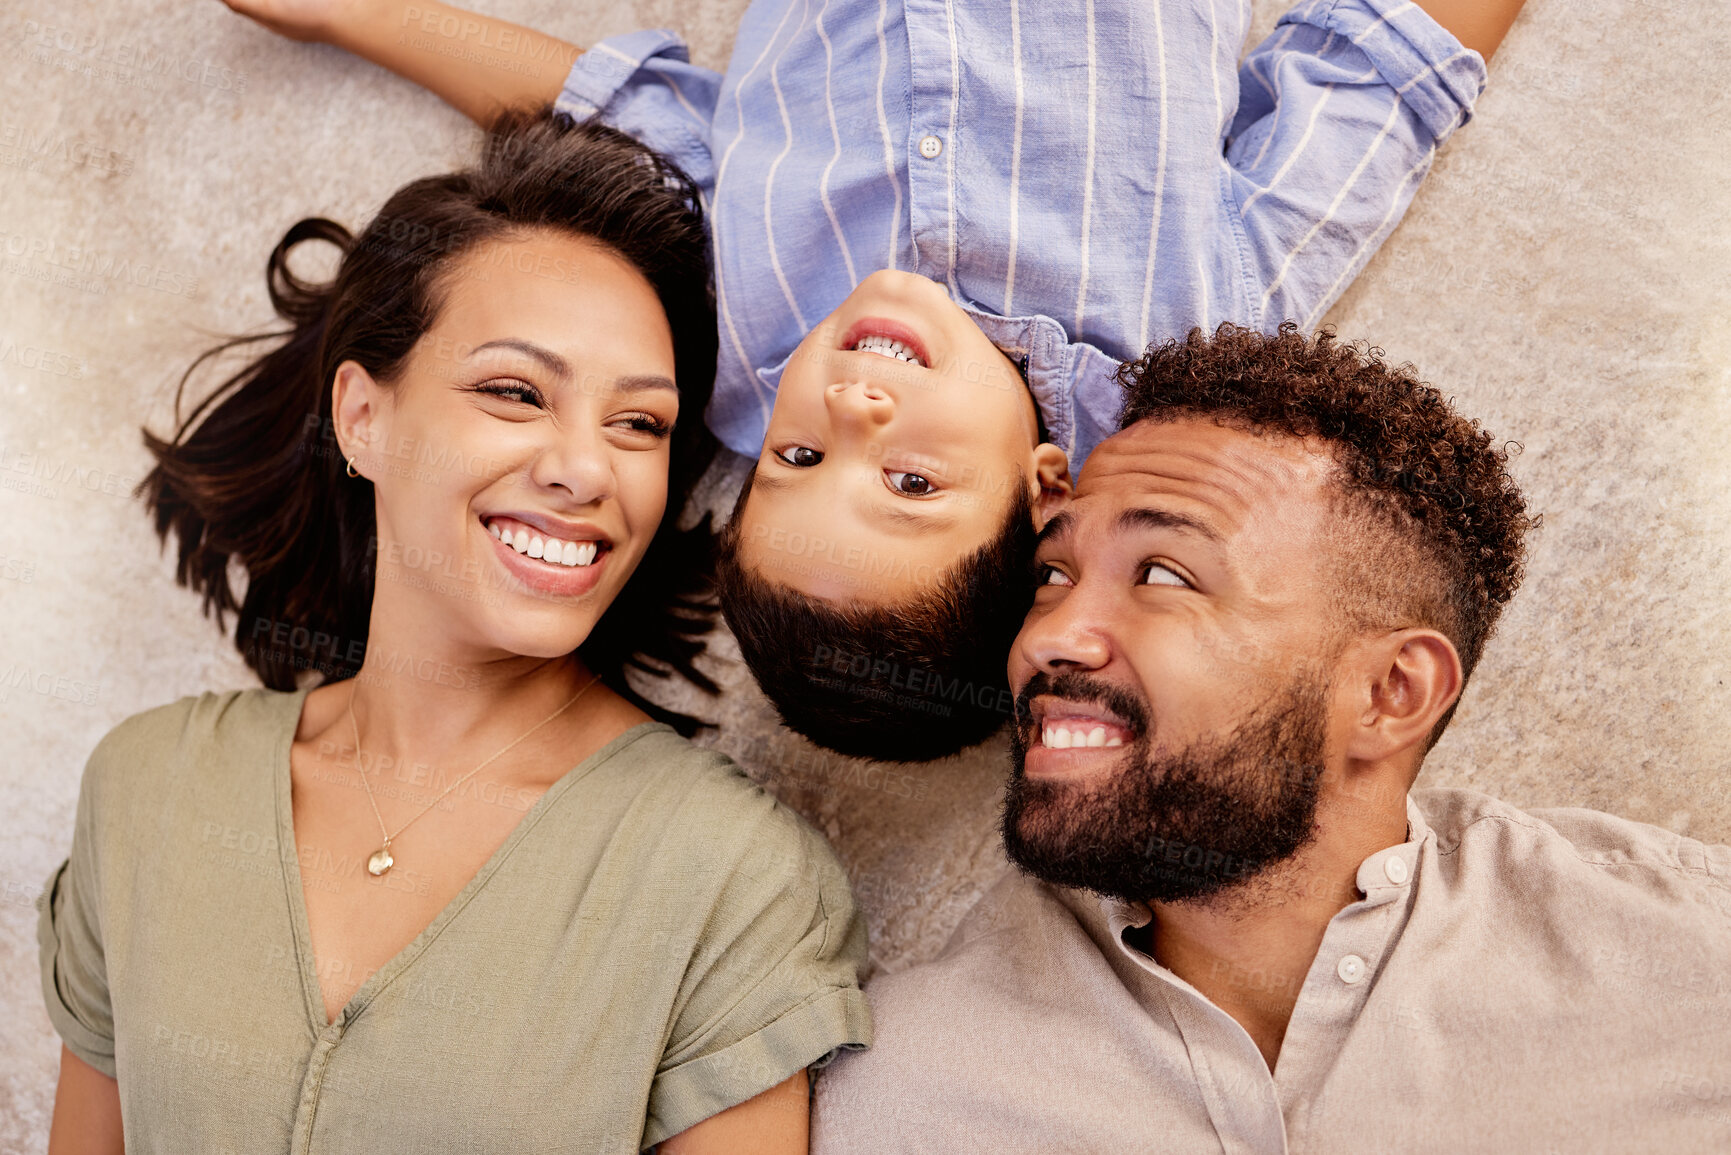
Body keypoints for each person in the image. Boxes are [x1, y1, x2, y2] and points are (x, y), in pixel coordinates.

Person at [220, 0, 1525, 763]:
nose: (847, 411)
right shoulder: (1182, 332)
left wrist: (345, 11)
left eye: (797, 460)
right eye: (906, 480)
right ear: (1047, 493)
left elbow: (619, 111)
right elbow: (1376, 76)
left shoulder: (747, 343)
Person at [36, 109, 870, 1155]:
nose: (585, 468)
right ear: (362, 417)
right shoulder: (149, 792)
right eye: (517, 392)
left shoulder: (733, 880)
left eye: (639, 423)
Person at [811, 323, 1731, 1151]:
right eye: (1053, 572)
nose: (1047, 636)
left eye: (1164, 573)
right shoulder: (897, 1094)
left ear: (1389, 692)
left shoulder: (1689, 970)